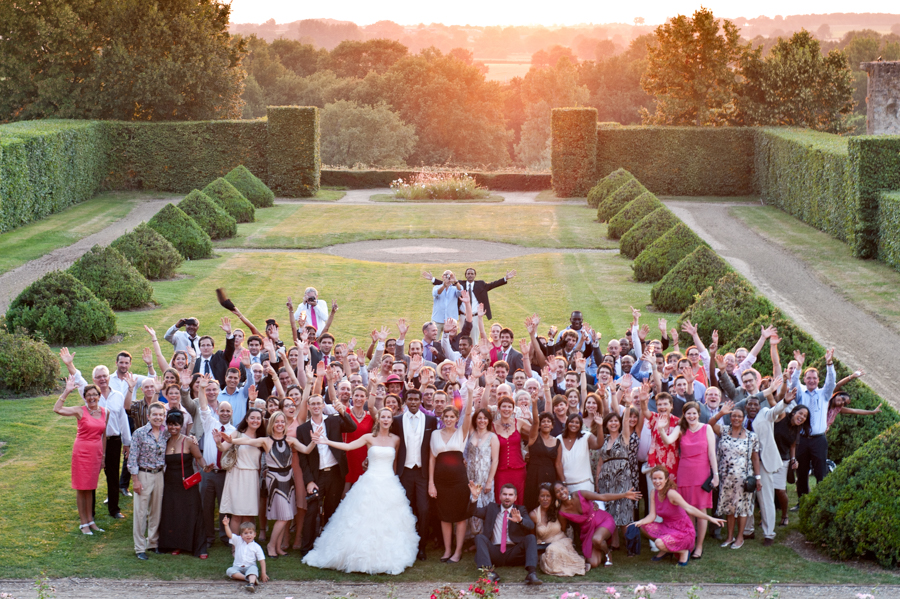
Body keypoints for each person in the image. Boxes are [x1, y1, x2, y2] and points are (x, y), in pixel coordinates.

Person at [304, 407, 419, 574]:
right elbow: (349, 446)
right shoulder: (368, 437)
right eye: (383, 417)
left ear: (392, 420)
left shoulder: (396, 439)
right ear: (378, 419)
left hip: (388, 484)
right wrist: (326, 441)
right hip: (370, 481)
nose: (386, 420)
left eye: (388, 417)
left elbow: (395, 465)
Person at [222, 412, 316, 557]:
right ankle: (272, 545)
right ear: (272, 424)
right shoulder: (265, 441)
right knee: (284, 516)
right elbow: (247, 442)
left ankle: (278, 548)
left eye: (282, 421)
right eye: (277, 421)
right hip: (274, 481)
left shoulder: (290, 440)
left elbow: (307, 450)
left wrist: (314, 441)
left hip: (288, 480)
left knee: (285, 515)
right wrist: (231, 440)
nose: (280, 424)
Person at [61, 348, 134, 520]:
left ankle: (114, 509)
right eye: (98, 377)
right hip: (94, 441)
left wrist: (127, 443)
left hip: (114, 440)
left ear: (109, 377)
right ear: (94, 380)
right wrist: (69, 364)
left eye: (104, 376)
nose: (102, 379)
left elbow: (123, 419)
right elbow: (78, 379)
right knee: (91, 475)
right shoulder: (91, 395)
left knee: (113, 475)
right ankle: (90, 512)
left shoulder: (117, 395)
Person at [296, 394, 358, 553]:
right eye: (313, 404)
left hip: (335, 473)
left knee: (333, 509)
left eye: (319, 403)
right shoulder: (302, 429)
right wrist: (309, 481)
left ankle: (330, 546)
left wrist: (343, 412)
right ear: (308, 407)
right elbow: (303, 459)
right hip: (316, 476)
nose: (316, 406)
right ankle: (307, 548)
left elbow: (352, 427)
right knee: (312, 511)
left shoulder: (334, 420)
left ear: (323, 405)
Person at [632, 466, 725, 566]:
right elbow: (652, 515)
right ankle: (667, 548)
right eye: (655, 478)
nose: (657, 481)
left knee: (658, 543)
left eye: (660, 478)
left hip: (683, 531)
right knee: (643, 526)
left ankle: (683, 551)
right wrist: (639, 522)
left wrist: (710, 518)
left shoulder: (671, 493)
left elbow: (689, 508)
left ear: (666, 479)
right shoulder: (653, 492)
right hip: (667, 527)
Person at [659, 401, 718, 559]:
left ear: (699, 414)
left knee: (701, 510)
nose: (691, 416)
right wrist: (660, 429)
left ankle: (699, 546)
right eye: (688, 413)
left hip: (702, 473)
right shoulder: (681, 428)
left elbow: (712, 453)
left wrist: (716, 474)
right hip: (684, 473)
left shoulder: (707, 428)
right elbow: (668, 441)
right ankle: (690, 543)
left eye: (694, 413)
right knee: (687, 511)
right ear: (684, 415)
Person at [429, 377, 476, 563]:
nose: (449, 419)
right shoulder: (434, 435)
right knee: (445, 516)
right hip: (441, 481)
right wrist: (431, 483)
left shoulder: (461, 432)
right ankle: (447, 550)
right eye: (446, 417)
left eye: (452, 417)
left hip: (458, 481)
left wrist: (470, 392)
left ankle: (458, 551)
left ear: (457, 419)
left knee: (460, 516)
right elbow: (431, 459)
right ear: (442, 418)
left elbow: (469, 413)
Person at [54, 375, 108, 535]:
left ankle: (91, 521)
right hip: (81, 452)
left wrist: (103, 457)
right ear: (84, 397)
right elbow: (57, 409)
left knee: (91, 487)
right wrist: (66, 392)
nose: (92, 397)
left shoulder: (105, 412)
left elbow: (104, 436)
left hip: (96, 454)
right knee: (81, 487)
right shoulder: (80, 411)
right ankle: (83, 523)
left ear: (99, 396)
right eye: (88, 395)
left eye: (94, 394)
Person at [390, 387, 437, 561]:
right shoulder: (397, 421)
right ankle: (404, 545)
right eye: (410, 399)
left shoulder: (431, 421)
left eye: (416, 399)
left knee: (424, 510)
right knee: (405, 509)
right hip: (404, 472)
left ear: (421, 401)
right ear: (405, 401)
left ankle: (422, 547)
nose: (413, 402)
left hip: (423, 473)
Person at [468, 482, 543, 585]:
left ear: (515, 497)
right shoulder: (491, 508)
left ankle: (531, 574)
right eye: (505, 494)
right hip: (494, 551)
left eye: (510, 495)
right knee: (479, 537)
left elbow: (531, 525)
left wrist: (520, 520)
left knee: (530, 537)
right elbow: (473, 512)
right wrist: (474, 497)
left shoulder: (520, 509)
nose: (507, 497)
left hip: (514, 552)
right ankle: (489, 573)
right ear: (500, 496)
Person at [553, 481, 641, 568]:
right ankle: (601, 546)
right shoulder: (562, 512)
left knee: (597, 539)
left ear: (567, 488)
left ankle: (608, 555)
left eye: (562, 488)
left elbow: (603, 497)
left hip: (603, 520)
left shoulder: (580, 494)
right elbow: (563, 530)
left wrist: (624, 495)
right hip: (588, 530)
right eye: (557, 491)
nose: (561, 492)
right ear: (555, 496)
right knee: (594, 563)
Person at [158, 411, 208, 558]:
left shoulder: (188, 441)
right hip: (170, 483)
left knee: (191, 513)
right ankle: (176, 545)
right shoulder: (164, 441)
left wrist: (205, 467)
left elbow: (199, 457)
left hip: (187, 483)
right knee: (174, 513)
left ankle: (198, 547)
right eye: (170, 424)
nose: (173, 427)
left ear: (181, 425)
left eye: (176, 424)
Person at [714, 403, 761, 549]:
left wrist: (758, 478)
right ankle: (729, 537)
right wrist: (720, 413)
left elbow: (755, 458)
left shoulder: (751, 436)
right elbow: (709, 425)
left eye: (739, 416)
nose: (736, 418)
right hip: (726, 476)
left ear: (743, 418)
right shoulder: (723, 430)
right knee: (729, 507)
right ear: (730, 417)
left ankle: (740, 537)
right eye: (733, 415)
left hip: (743, 477)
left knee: (742, 508)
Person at [196, 375, 235, 549]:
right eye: (222, 410)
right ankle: (208, 536)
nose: (225, 413)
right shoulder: (209, 423)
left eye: (228, 411)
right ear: (217, 411)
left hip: (225, 473)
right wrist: (202, 388)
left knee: (225, 507)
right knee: (206, 505)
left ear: (231, 413)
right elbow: (203, 406)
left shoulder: (234, 431)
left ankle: (225, 537)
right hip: (208, 472)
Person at [127, 401, 169, 560]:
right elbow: (132, 458)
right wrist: (135, 480)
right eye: (155, 415)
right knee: (140, 512)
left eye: (161, 415)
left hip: (159, 474)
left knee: (156, 511)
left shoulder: (166, 433)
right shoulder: (140, 433)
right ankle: (139, 548)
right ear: (148, 416)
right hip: (143, 474)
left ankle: (152, 543)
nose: (158, 417)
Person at [216, 408, 265, 538]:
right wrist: (217, 442)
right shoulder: (237, 433)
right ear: (247, 419)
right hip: (237, 475)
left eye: (258, 418)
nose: (255, 420)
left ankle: (246, 546)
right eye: (252, 418)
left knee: (248, 515)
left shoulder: (262, 437)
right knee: (236, 514)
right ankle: (235, 547)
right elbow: (223, 447)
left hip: (252, 477)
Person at [596, 410, 637, 551]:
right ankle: (615, 543)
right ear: (606, 424)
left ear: (619, 423)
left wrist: (627, 404)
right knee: (610, 510)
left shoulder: (624, 436)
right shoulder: (604, 440)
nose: (613, 423)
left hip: (622, 477)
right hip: (606, 479)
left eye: (615, 421)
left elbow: (626, 421)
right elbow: (600, 463)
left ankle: (630, 543)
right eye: (610, 421)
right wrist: (597, 481)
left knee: (624, 509)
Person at [531, 483, 588, 576]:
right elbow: (533, 536)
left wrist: (592, 504)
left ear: (552, 498)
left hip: (562, 541)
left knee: (553, 548)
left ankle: (576, 564)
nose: (545, 499)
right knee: (550, 551)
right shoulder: (533, 515)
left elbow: (564, 529)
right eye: (542, 496)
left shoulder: (558, 511)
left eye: (548, 496)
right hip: (545, 546)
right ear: (538, 498)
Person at [465, 407, 499, 540]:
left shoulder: (492, 437)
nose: (482, 420)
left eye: (485, 418)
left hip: (485, 478)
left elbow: (495, 460)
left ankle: (485, 538)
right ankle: (474, 538)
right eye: (479, 418)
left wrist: (490, 481)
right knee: (473, 506)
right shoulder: (471, 433)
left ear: (489, 420)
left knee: (485, 508)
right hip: (471, 477)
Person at [524, 405, 559, 512]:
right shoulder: (534, 437)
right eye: (543, 421)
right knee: (532, 502)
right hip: (533, 475)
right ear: (540, 425)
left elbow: (558, 464)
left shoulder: (557, 441)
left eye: (549, 421)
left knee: (549, 503)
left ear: (552, 426)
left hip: (550, 475)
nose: (546, 423)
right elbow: (535, 422)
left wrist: (562, 481)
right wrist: (534, 403)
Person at [556, 413, 600, 495]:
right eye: (571, 422)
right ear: (567, 423)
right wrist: (563, 483)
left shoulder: (586, 436)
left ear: (580, 425)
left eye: (577, 422)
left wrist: (600, 426)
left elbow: (599, 444)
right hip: (567, 486)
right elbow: (558, 463)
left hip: (585, 484)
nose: (574, 424)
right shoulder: (559, 439)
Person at [222, 516, 268, 593]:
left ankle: (251, 584)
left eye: (250, 533)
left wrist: (263, 573)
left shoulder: (256, 547)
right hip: (237, 567)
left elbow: (262, 560)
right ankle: (247, 578)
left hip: (250, 566)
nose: (248, 535)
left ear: (255, 534)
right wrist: (226, 525)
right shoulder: (238, 540)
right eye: (245, 533)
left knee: (253, 570)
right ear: (241, 535)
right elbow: (230, 535)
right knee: (229, 571)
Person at [344, 386, 377, 490]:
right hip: (348, 456)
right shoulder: (345, 413)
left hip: (364, 458)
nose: (359, 398)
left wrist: (374, 386)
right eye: (356, 395)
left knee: (363, 489)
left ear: (366, 398)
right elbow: (332, 399)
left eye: (362, 396)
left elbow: (371, 407)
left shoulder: (370, 416)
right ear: (351, 397)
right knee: (346, 489)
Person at [191, 317, 237, 388]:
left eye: (208, 345)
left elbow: (230, 350)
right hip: (200, 393)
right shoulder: (195, 363)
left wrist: (229, 333)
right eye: (203, 345)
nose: (206, 348)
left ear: (213, 347)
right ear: (199, 348)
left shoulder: (220, 358)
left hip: (218, 392)